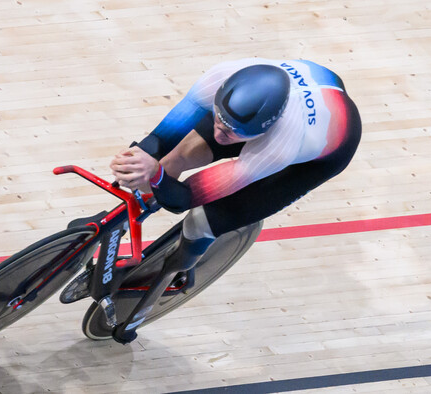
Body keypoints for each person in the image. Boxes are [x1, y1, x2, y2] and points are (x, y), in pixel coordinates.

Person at [109, 58, 361, 343]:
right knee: (173, 158)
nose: (217, 134)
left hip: (320, 151)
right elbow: (159, 139)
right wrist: (141, 161)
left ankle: (178, 270)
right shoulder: (219, 77)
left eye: (230, 134)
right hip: (306, 95)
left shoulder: (279, 147)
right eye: (216, 119)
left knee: (201, 220)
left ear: (265, 130)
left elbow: (188, 197)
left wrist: (155, 177)